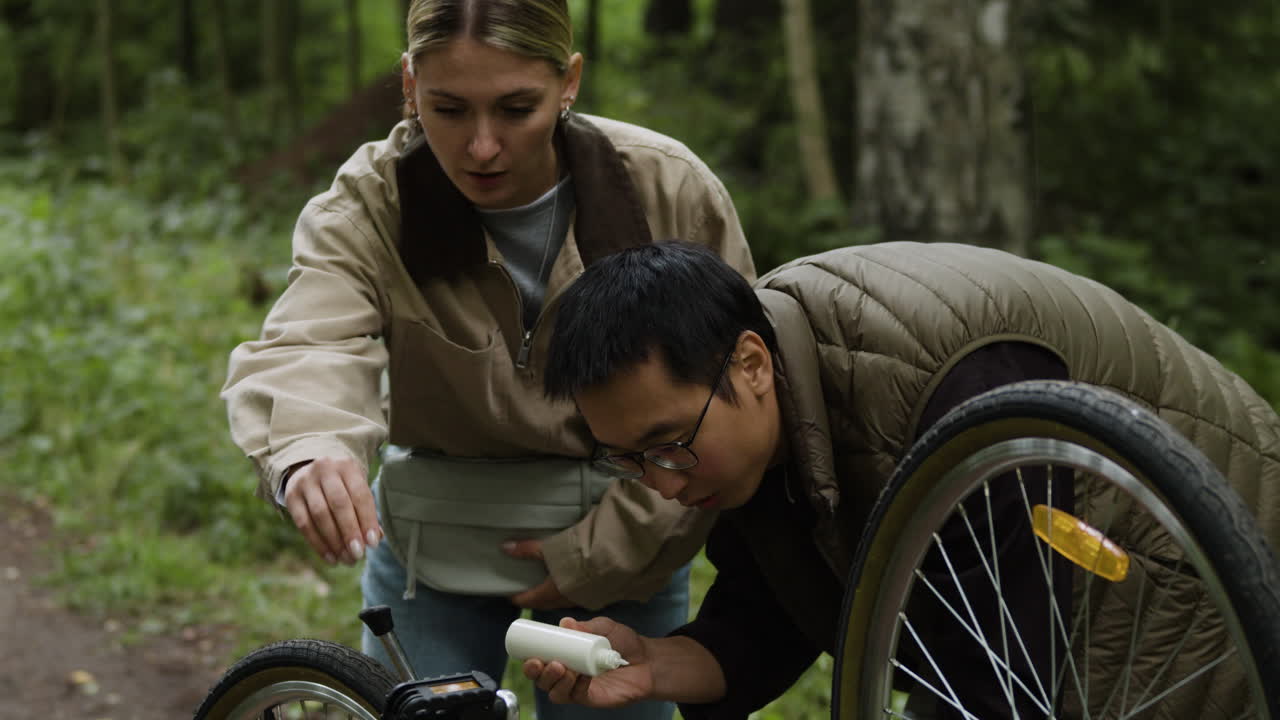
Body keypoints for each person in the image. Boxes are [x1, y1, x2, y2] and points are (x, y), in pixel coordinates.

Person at [220, 2, 755, 718]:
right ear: (409, 85)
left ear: (569, 81)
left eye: (516, 109)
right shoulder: (372, 202)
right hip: (430, 551)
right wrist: (311, 446)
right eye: (447, 109)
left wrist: (602, 552)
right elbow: (313, 337)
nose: (481, 147)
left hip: (629, 544)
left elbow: (731, 403)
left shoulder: (666, 189)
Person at [528, 241, 1280, 719]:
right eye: (628, 460)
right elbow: (762, 620)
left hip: (1213, 577)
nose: (661, 486)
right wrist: (650, 662)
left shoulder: (952, 390)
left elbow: (993, 676)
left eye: (667, 445)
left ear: (751, 364)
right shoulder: (762, 412)